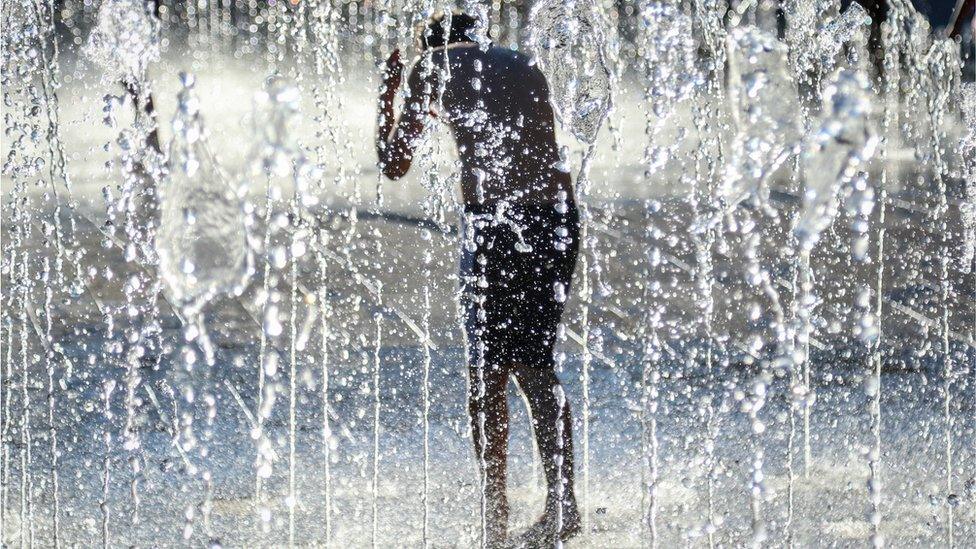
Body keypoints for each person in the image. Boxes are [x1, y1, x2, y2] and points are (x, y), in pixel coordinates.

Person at [375, 12, 581, 547]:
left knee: (487, 373)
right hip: (556, 217)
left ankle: (495, 518)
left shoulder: (431, 67)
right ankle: (563, 504)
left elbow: (394, 163)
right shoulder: (523, 64)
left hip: (495, 224)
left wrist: (388, 95)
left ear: (432, 45)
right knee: (536, 364)